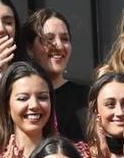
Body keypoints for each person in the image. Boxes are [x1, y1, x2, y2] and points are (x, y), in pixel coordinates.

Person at [27, 7, 91, 140]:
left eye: (65, 39)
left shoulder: (87, 96)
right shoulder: (19, 98)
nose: (59, 45)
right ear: (29, 49)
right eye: (49, 39)